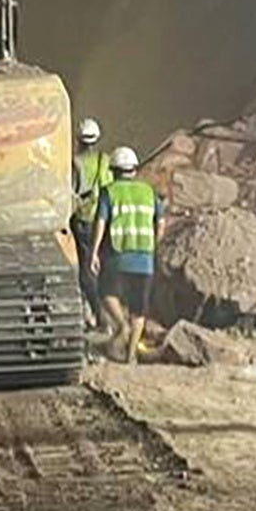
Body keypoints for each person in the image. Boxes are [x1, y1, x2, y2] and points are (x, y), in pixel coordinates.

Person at [88, 146, 162, 363]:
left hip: (118, 255)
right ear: (134, 170)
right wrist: (153, 244)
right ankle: (130, 357)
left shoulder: (109, 192)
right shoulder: (149, 192)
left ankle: (121, 326)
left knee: (106, 293)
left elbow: (100, 222)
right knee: (139, 310)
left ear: (113, 170)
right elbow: (162, 221)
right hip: (144, 258)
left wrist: (93, 252)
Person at [69, 118, 112, 328]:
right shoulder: (105, 159)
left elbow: (72, 193)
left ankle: (97, 314)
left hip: (85, 220)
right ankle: (106, 313)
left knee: (86, 270)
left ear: (78, 139)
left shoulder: (76, 163)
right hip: (104, 219)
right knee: (102, 265)